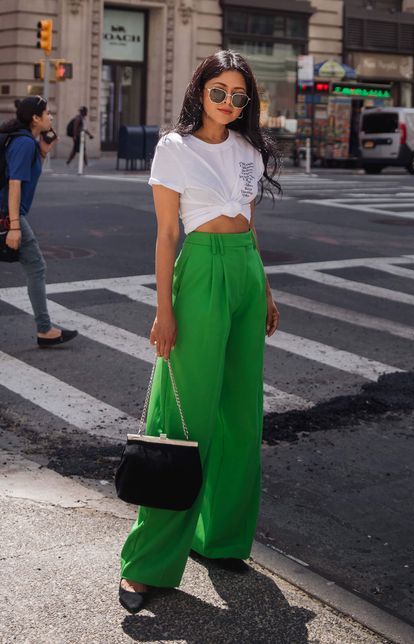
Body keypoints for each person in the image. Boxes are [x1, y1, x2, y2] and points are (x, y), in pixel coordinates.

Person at [119, 49, 282, 614]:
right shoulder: (174, 147)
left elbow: (250, 226)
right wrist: (164, 309)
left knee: (241, 412)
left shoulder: (248, 150)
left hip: (243, 270)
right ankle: (150, 562)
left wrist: (264, 288)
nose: (230, 104)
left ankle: (222, 538)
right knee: (182, 414)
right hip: (201, 269)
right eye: (220, 93)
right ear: (200, 91)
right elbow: (167, 235)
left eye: (240, 96)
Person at [1, 96, 78, 347]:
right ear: (35, 118)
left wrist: (44, 151)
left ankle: (45, 329)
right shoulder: (23, 143)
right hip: (6, 214)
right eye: (47, 113)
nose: (51, 117)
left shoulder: (27, 141)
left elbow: (30, 176)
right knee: (36, 266)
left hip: (7, 212)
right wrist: (14, 226)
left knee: (35, 267)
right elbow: (15, 184)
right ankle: (44, 330)